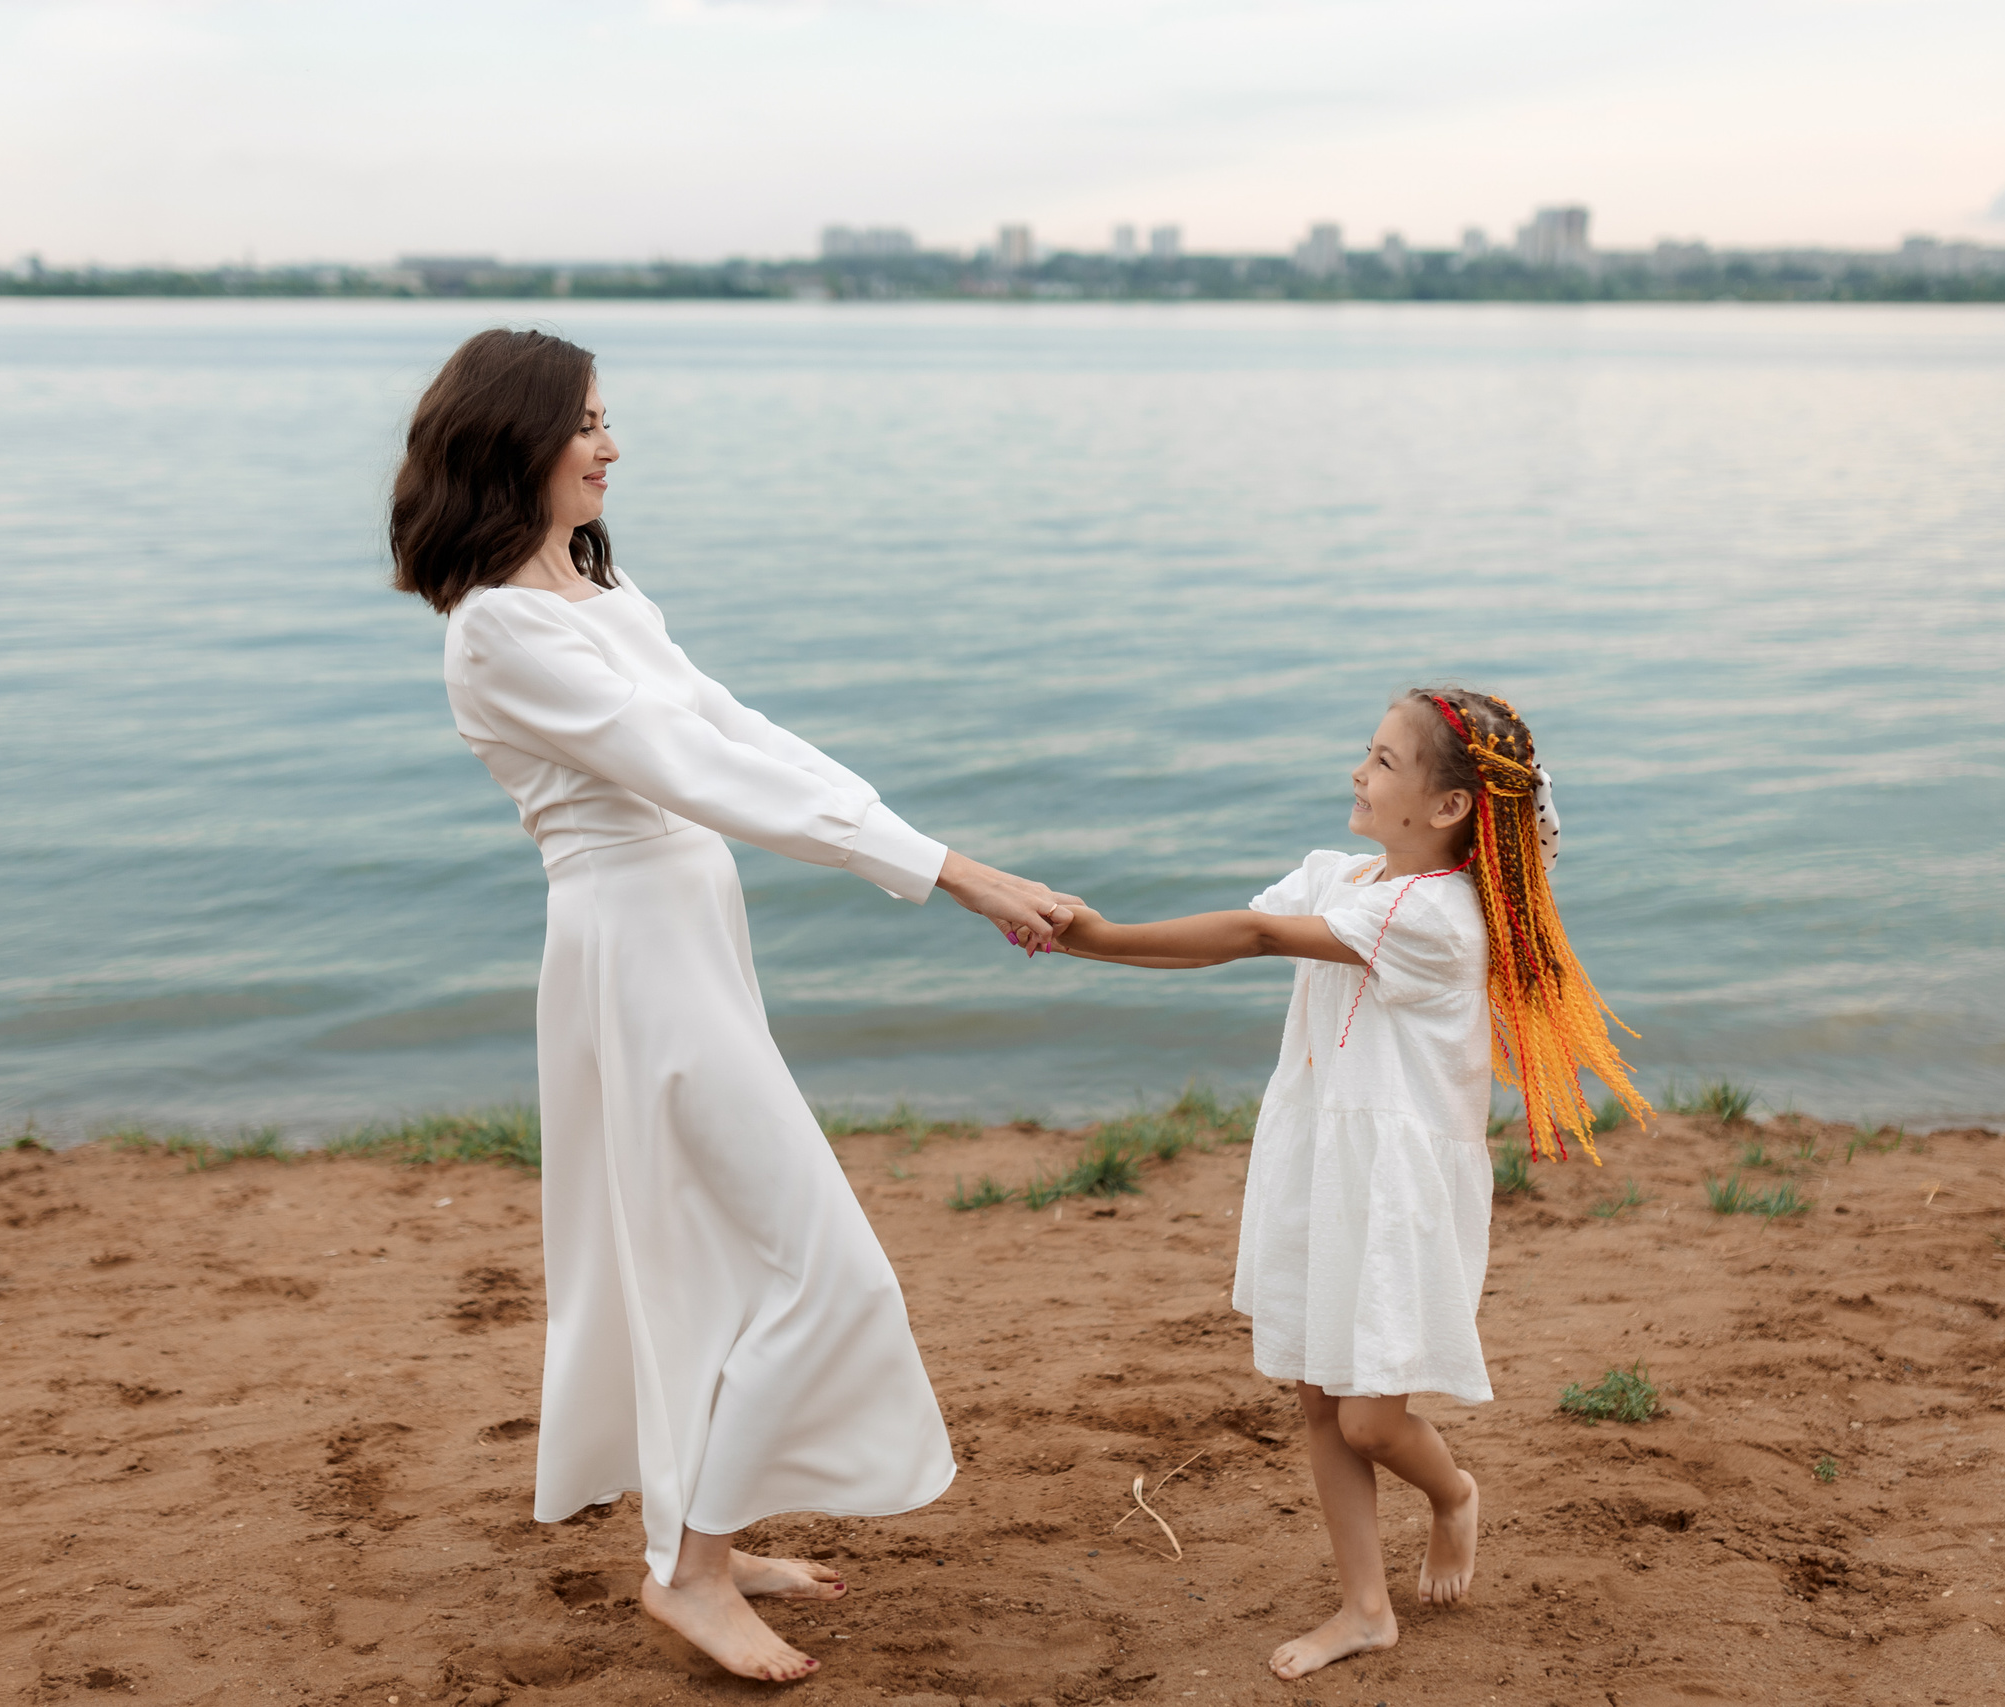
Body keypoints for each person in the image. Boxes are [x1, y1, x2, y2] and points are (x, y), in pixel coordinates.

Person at [390, 329, 1077, 1683]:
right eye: (584, 422)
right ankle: (691, 1573)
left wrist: (934, 844)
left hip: (689, 934)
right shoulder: (497, 631)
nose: (610, 443)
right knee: (821, 1258)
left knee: (697, 1248)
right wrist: (940, 872)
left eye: (606, 418)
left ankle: (697, 1530)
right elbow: (689, 767)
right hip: (635, 950)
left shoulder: (597, 589)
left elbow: (739, 728)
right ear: (512, 438)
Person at [1037, 688, 1645, 1682]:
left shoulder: (1439, 920)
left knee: (1370, 1418)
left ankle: (1451, 1496)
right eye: (1364, 753)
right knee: (1320, 1402)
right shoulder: (1344, 876)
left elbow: (1256, 935)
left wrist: (1092, 938)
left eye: (1381, 761)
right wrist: (1078, 926)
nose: (1357, 774)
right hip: (1322, 1166)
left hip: (1394, 1188)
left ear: (1448, 807)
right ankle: (1365, 1607)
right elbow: (1247, 925)